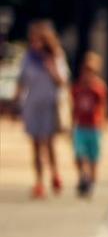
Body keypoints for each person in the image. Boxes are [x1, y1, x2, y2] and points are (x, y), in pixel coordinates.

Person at [19, 22, 68, 200]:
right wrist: (15, 103)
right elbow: (22, 80)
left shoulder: (56, 56)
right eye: (33, 40)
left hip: (50, 104)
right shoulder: (28, 58)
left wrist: (51, 68)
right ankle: (39, 181)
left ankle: (55, 173)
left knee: (49, 143)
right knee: (35, 144)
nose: (35, 44)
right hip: (32, 105)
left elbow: (62, 80)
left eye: (39, 40)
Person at [70, 52, 108, 196]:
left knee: (93, 157)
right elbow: (73, 106)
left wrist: (104, 122)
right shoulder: (78, 87)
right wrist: (72, 123)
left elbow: (104, 106)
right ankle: (82, 176)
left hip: (94, 126)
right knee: (79, 154)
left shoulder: (99, 88)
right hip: (81, 126)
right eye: (86, 71)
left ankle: (92, 181)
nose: (88, 74)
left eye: (91, 71)